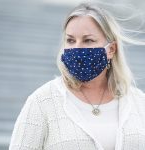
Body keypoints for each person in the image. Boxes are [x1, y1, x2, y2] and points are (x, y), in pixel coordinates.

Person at [9, 2, 145, 150]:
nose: (77, 48)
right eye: (71, 40)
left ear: (111, 49)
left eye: (88, 40)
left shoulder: (138, 102)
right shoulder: (42, 102)